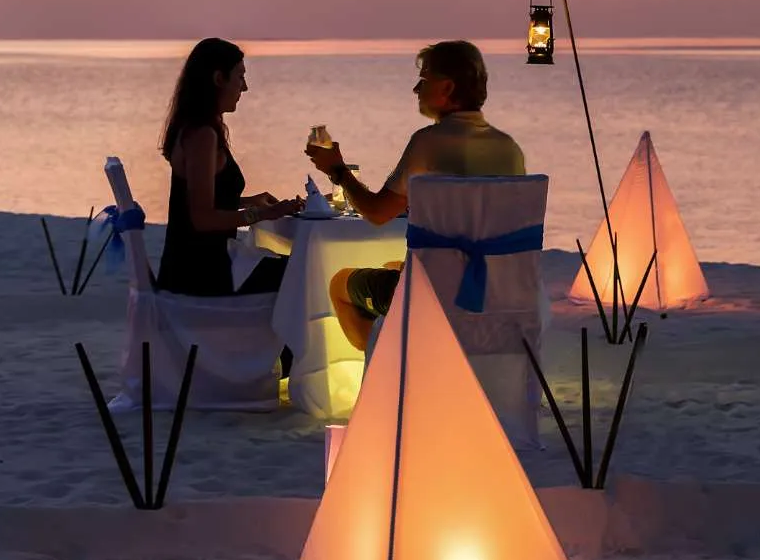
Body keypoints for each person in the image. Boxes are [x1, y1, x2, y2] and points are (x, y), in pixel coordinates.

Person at [304, 40, 525, 350]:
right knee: (392, 266)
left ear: (446, 87)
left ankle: (399, 365)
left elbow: (378, 213)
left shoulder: (428, 143)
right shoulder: (509, 148)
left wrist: (338, 170)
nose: (415, 89)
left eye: (424, 79)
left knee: (340, 282)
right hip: (497, 289)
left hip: (438, 297)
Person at [156, 38, 302, 296]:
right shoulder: (202, 135)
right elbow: (202, 219)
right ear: (218, 78)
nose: (244, 87)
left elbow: (199, 203)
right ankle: (286, 337)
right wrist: (266, 214)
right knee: (310, 274)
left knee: (299, 270)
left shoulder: (193, 128)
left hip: (194, 267)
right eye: (240, 76)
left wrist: (248, 202)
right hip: (202, 275)